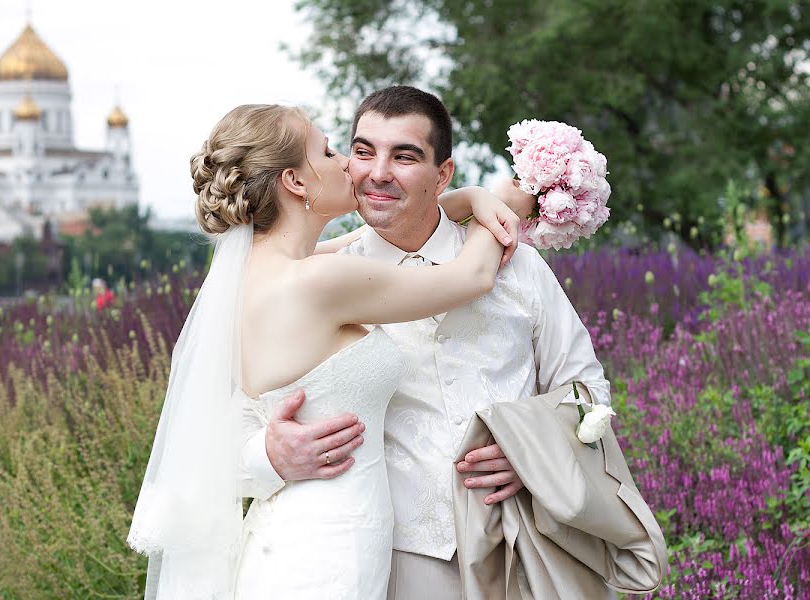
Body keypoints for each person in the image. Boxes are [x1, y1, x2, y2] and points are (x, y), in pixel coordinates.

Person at [126, 103, 519, 599]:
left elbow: (365, 237)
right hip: (329, 554)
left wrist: (467, 198)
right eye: (329, 151)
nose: (347, 165)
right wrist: (509, 201)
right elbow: (473, 277)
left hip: (290, 538)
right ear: (294, 181)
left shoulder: (258, 275)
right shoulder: (321, 279)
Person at [243, 86, 613, 599]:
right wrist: (268, 454)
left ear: (443, 175)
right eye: (363, 150)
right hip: (394, 559)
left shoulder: (520, 267)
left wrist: (534, 451)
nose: (377, 172)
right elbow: (222, 429)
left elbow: (587, 389)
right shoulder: (318, 280)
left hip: (524, 543)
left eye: (405, 156)